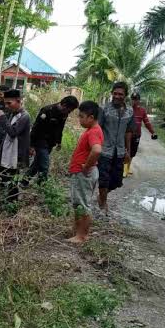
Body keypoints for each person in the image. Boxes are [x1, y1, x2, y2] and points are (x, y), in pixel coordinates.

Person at [67, 101, 104, 243]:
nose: (79, 119)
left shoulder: (93, 132)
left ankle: (81, 236)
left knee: (82, 204)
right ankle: (79, 232)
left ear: (91, 117)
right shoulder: (93, 130)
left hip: (84, 173)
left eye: (81, 116)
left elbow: (97, 150)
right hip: (84, 172)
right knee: (79, 203)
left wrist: (86, 167)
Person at [97, 82, 135, 213]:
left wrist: (128, 151)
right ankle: (103, 202)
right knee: (103, 179)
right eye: (115, 93)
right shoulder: (104, 109)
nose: (117, 96)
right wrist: (95, 148)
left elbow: (128, 132)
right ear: (112, 93)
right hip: (104, 150)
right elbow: (98, 129)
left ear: (125, 96)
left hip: (119, 151)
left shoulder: (130, 111)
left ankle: (102, 196)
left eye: (121, 94)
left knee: (117, 181)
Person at [27, 95, 80, 182]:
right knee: (44, 166)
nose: (69, 112)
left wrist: (59, 142)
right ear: (64, 105)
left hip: (50, 143)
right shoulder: (47, 111)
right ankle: (43, 187)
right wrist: (31, 145)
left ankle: (24, 181)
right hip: (40, 141)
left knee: (37, 163)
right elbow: (36, 128)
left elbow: (60, 128)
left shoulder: (64, 114)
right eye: (69, 110)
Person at [0, 89, 31, 211]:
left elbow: (13, 132)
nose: (6, 106)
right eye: (5, 103)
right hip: (5, 154)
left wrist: (2, 118)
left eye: (9, 103)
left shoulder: (24, 116)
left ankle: (11, 210)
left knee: (11, 184)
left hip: (14, 157)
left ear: (18, 101)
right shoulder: (11, 113)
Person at [124, 92, 157, 177]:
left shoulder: (142, 111)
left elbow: (147, 123)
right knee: (125, 151)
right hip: (126, 135)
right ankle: (124, 169)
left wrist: (153, 132)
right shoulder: (126, 109)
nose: (134, 101)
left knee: (132, 152)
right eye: (133, 99)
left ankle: (127, 168)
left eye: (136, 99)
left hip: (136, 135)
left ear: (139, 101)